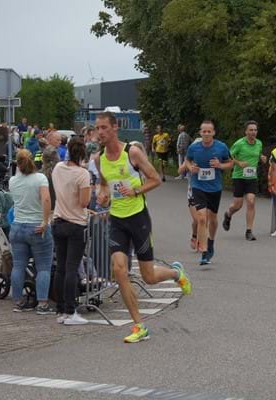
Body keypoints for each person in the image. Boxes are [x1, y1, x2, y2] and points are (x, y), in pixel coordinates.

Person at [96, 112, 191, 343]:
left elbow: (155, 179)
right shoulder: (99, 159)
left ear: (115, 128)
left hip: (138, 218)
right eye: (97, 128)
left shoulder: (132, 152)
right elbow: (104, 184)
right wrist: (103, 195)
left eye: (104, 127)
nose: (100, 132)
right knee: (119, 270)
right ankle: (139, 326)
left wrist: (136, 190)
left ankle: (175, 273)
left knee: (149, 277)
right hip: (117, 220)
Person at [9, 149, 54, 314]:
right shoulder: (40, 178)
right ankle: (42, 303)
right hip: (36, 226)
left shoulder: (13, 181)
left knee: (18, 266)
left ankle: (18, 301)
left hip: (17, 226)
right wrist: (45, 221)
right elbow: (46, 199)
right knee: (43, 267)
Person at [52, 138, 90, 325]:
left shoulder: (58, 168)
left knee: (60, 267)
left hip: (59, 220)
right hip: (76, 224)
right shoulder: (83, 174)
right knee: (72, 268)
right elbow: (84, 202)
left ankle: (60, 309)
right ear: (82, 154)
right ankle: (70, 311)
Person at [185, 121, 233, 265]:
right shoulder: (194, 148)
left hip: (214, 187)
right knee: (201, 217)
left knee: (212, 218)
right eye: (204, 131)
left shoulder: (221, 147)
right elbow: (187, 160)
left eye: (209, 131)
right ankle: (204, 251)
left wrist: (220, 165)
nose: (206, 134)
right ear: (200, 133)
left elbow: (230, 163)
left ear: (213, 133)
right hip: (198, 185)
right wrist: (191, 168)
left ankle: (211, 241)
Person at [222, 121, 267, 241]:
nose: (253, 132)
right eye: (251, 130)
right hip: (239, 177)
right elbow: (228, 157)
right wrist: (239, 163)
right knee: (237, 205)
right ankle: (228, 214)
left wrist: (261, 158)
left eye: (255, 130)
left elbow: (258, 154)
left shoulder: (259, 143)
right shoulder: (239, 143)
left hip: (252, 177)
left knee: (251, 201)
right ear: (246, 131)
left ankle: (249, 231)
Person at [178, 137, 201, 250]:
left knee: (203, 219)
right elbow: (180, 171)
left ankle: (202, 241)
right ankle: (194, 235)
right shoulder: (190, 159)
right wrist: (189, 166)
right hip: (192, 192)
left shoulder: (208, 158)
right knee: (197, 219)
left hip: (206, 191)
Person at [42, 131, 61, 208]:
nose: (60, 142)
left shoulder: (49, 149)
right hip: (50, 177)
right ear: (50, 140)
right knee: (52, 200)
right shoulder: (52, 151)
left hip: (48, 176)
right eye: (58, 140)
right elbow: (56, 166)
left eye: (60, 140)